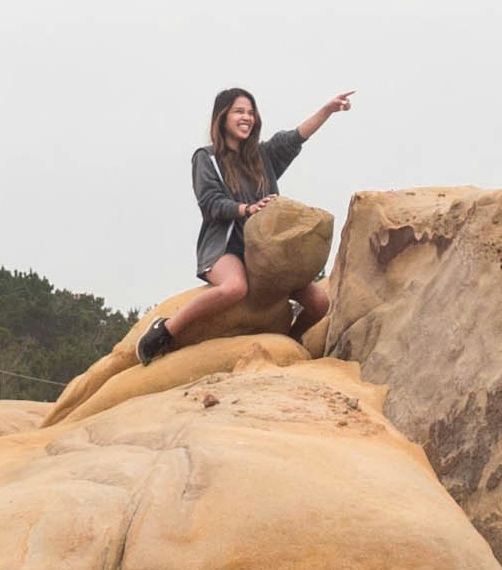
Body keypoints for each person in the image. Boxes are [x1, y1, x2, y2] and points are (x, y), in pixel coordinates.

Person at [136, 85, 354, 363]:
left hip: (265, 252)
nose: (247, 117)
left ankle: (286, 341)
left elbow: (295, 138)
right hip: (227, 247)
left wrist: (327, 110)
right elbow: (210, 204)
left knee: (319, 303)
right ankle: (164, 330)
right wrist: (247, 209)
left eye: (251, 112)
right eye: (239, 111)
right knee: (234, 288)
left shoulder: (264, 157)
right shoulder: (207, 159)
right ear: (222, 117)